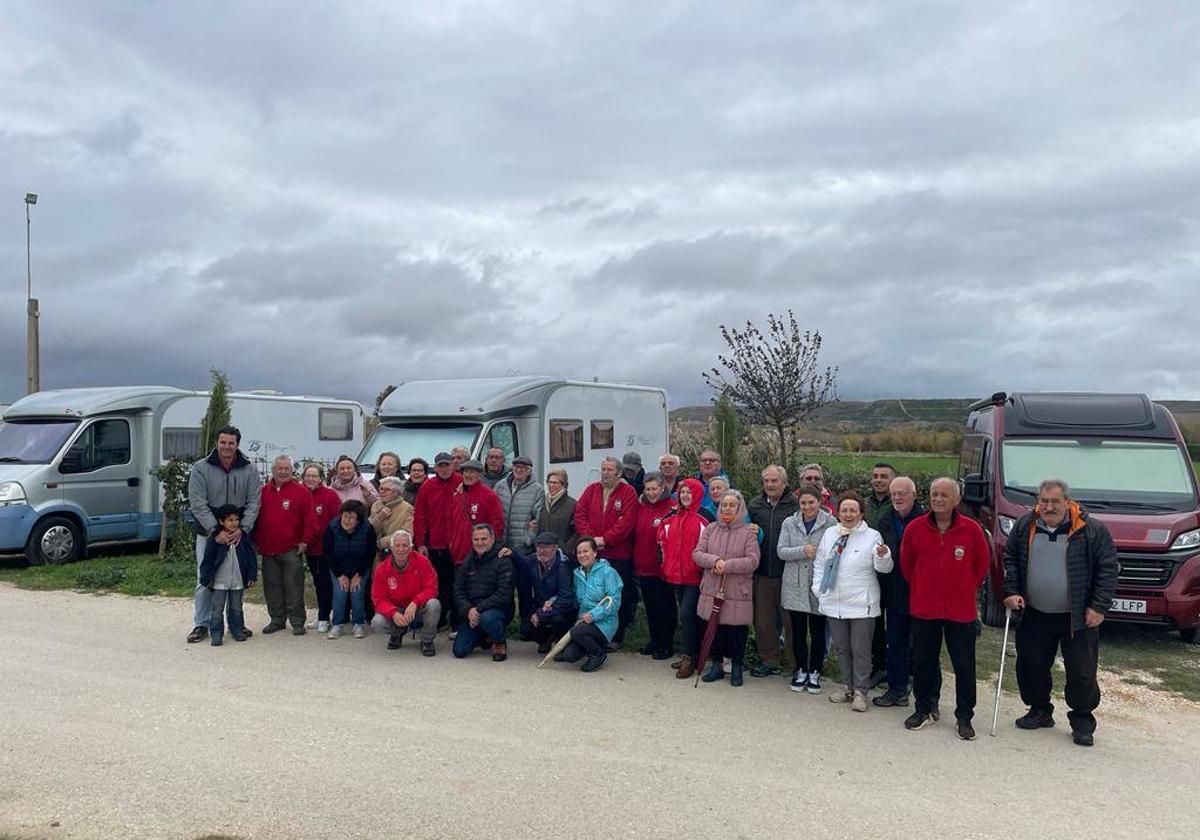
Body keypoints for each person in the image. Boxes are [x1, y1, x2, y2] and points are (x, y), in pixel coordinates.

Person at [1003, 479, 1118, 747]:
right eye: (1044, 501)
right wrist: (1011, 591)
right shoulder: (1025, 526)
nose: (1049, 506)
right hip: (1035, 612)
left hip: (1076, 616)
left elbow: (1108, 568)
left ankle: (1082, 720)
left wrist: (1099, 606)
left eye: (1055, 501)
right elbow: (1010, 559)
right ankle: (1040, 710)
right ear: (1038, 502)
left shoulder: (1091, 530)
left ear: (1067, 502)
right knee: (1031, 664)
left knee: (1081, 671)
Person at [900, 478, 990, 739]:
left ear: (956, 500)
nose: (938, 499)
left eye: (944, 495)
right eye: (934, 494)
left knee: (964, 666)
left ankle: (964, 717)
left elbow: (980, 568)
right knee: (923, 663)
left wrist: (961, 588)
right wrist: (923, 587)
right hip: (925, 608)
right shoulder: (915, 528)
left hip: (960, 611)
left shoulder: (972, 530)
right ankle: (923, 709)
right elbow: (907, 565)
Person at [812, 491, 892, 712]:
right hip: (833, 602)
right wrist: (818, 590)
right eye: (844, 510)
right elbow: (820, 563)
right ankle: (847, 686)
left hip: (861, 604)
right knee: (842, 648)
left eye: (853, 510)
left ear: (861, 513)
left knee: (860, 649)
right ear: (838, 513)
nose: (848, 514)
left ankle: (861, 692)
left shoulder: (872, 536)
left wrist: (884, 556)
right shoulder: (830, 534)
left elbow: (883, 568)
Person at [185, 426, 262, 644]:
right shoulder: (201, 468)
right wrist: (215, 530)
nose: (226, 447)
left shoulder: (249, 470)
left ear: (237, 444)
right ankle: (202, 623)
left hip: (239, 534)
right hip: (209, 533)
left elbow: (254, 502)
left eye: (231, 443)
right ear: (217, 443)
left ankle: (235, 624)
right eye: (223, 442)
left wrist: (243, 528)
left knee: (236, 578)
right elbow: (197, 503)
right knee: (206, 578)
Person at [694, 490, 761, 687]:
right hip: (712, 588)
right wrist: (715, 561)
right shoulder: (711, 529)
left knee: (736, 631)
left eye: (732, 505)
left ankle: (737, 666)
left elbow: (753, 560)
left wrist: (727, 565)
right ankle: (717, 664)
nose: (727, 508)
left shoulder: (748, 533)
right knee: (713, 629)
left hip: (737, 590)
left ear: (739, 508)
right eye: (724, 505)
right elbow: (697, 553)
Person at [573, 456, 639, 647]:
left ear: (619, 473)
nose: (605, 473)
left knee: (618, 595)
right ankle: (590, 630)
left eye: (610, 470)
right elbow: (580, 514)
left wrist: (605, 539)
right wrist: (591, 540)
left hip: (618, 554)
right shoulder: (592, 489)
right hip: (594, 553)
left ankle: (616, 636)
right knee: (593, 593)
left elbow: (626, 522)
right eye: (603, 469)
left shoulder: (628, 492)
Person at [872, 476, 925, 708]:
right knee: (896, 642)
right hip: (894, 590)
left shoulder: (926, 520)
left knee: (923, 645)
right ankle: (897, 690)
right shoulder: (885, 519)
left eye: (902, 493)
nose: (897, 497)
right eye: (894, 493)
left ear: (914, 495)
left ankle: (925, 696)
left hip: (921, 590)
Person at [778, 484, 837, 693]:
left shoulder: (830, 522)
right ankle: (801, 668)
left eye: (811, 502)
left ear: (819, 502)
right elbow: (782, 551)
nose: (807, 507)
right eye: (803, 503)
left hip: (818, 583)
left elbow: (835, 551)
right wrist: (803, 550)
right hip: (794, 583)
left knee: (818, 630)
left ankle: (815, 670)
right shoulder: (789, 523)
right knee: (798, 631)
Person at [747, 465, 800, 678]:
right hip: (763, 571)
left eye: (774, 481)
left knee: (792, 623)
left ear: (784, 483)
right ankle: (770, 660)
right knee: (763, 621)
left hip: (789, 572)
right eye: (766, 481)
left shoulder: (795, 505)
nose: (769, 485)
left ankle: (796, 663)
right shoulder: (755, 505)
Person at [254, 455, 315, 635]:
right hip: (268, 548)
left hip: (292, 549)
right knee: (272, 586)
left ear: (292, 470)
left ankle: (297, 622)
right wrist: (255, 541)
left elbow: (310, 519)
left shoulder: (301, 492)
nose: (283, 471)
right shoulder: (263, 491)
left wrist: (305, 540)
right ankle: (277, 619)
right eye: (279, 468)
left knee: (294, 586)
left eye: (286, 468)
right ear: (273, 470)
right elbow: (255, 518)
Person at [660, 477, 707, 679]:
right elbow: (662, 542)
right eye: (683, 492)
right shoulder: (672, 517)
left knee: (688, 614)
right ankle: (692, 653)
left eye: (689, 492)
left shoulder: (703, 519)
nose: (686, 495)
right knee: (686, 615)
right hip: (676, 575)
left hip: (695, 577)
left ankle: (690, 657)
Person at [554, 537, 623, 672]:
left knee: (577, 632)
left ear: (595, 552)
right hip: (584, 622)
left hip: (604, 623)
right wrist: (553, 601)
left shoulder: (608, 573)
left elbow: (614, 602)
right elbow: (572, 596)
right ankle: (594, 645)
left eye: (586, 551)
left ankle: (598, 654)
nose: (582, 555)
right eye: (579, 552)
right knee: (569, 656)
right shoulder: (577, 574)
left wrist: (593, 615)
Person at [412, 452, 464, 629]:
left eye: (447, 465)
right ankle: (439, 618)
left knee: (457, 584)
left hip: (457, 544)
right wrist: (420, 543)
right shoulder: (428, 486)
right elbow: (420, 516)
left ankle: (456, 621)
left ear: (453, 465)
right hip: (434, 545)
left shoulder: (461, 483)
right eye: (440, 466)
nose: (444, 469)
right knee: (437, 584)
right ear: (435, 468)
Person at [370, 529, 441, 656]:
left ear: (411, 547)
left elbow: (432, 588)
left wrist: (415, 602)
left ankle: (427, 640)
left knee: (434, 604)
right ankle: (397, 633)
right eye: (397, 545)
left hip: (418, 608)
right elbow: (378, 599)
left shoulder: (423, 562)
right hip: (397, 609)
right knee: (377, 622)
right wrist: (393, 613)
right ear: (391, 548)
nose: (401, 549)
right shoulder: (382, 569)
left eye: (405, 545)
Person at [452, 524, 514, 661]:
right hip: (472, 612)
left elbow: (503, 594)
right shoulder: (468, 561)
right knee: (459, 651)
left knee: (488, 619)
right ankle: (484, 636)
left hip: (496, 610)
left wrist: (478, 610)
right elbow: (458, 589)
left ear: (492, 538)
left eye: (484, 539)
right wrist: (468, 610)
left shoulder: (503, 560)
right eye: (476, 539)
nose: (480, 543)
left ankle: (499, 642)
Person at [509, 532, 578, 653]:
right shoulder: (534, 559)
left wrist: (540, 614)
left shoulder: (563, 567)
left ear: (555, 548)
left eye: (545, 547)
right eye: (538, 547)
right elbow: (522, 561)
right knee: (526, 629)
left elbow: (566, 600)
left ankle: (562, 643)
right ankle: (545, 640)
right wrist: (512, 553)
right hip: (543, 607)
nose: (541, 551)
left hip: (562, 609)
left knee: (558, 620)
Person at [199, 505, 257, 646]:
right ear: (221, 522)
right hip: (219, 582)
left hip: (237, 580)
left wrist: (251, 576)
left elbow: (251, 558)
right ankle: (216, 634)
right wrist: (206, 578)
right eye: (230, 520)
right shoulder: (215, 540)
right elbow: (207, 560)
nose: (234, 523)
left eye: (237, 520)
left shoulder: (243, 538)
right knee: (217, 609)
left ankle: (237, 630)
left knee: (236, 607)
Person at [632, 472, 674, 659]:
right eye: (647, 489)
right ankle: (654, 639)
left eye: (654, 489)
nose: (650, 493)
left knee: (665, 607)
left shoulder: (671, 507)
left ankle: (666, 643)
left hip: (662, 567)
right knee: (650, 606)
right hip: (643, 565)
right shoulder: (641, 506)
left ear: (662, 488)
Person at [864, 461, 898, 686]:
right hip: (868, 571)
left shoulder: (897, 503)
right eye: (875, 475)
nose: (878, 479)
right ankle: (879, 666)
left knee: (896, 622)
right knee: (874, 621)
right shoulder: (864, 504)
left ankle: (899, 666)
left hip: (894, 572)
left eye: (884, 476)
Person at [323, 500, 377, 640]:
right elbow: (328, 552)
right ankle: (337, 624)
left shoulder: (367, 529)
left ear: (358, 520)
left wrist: (359, 574)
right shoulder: (332, 527)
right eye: (344, 516)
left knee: (357, 591)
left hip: (360, 567)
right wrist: (340, 575)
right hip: (338, 567)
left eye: (351, 517)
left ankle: (358, 624)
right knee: (340, 592)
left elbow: (370, 553)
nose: (346, 520)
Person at [301, 463, 341, 633]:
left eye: (314, 476)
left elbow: (337, 521)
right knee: (317, 583)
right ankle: (321, 616)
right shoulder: (301, 494)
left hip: (326, 548)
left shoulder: (330, 495)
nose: (310, 479)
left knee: (325, 583)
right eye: (307, 476)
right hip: (309, 547)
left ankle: (325, 617)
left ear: (321, 478)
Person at [447, 459, 506, 564]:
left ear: (480, 475)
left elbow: (497, 524)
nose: (468, 475)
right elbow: (450, 520)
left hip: (480, 554)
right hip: (457, 554)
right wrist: (451, 542)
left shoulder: (489, 495)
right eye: (466, 471)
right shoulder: (458, 494)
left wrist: (490, 549)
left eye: (472, 472)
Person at [495, 455, 545, 553]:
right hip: (501, 543)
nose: (519, 470)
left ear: (529, 471)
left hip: (521, 548)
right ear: (512, 468)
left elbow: (538, 518)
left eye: (523, 468)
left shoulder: (537, 490)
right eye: (516, 467)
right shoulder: (500, 486)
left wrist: (529, 539)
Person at [536, 469, 578, 562]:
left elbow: (576, 532)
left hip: (562, 555)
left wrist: (566, 550)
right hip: (542, 555)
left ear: (564, 485)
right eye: (549, 482)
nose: (551, 485)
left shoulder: (572, 505)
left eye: (555, 483)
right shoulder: (542, 503)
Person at [368, 476, 415, 551]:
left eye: (387, 489)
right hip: (374, 552)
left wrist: (381, 543)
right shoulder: (376, 505)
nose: (381, 492)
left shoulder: (407, 508)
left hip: (396, 550)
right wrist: (379, 517)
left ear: (396, 492)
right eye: (381, 488)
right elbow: (369, 530)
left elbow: (407, 533)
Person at [695, 450, 729, 516]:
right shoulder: (691, 486)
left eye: (712, 460)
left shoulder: (730, 487)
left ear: (719, 464)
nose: (707, 463)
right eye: (704, 460)